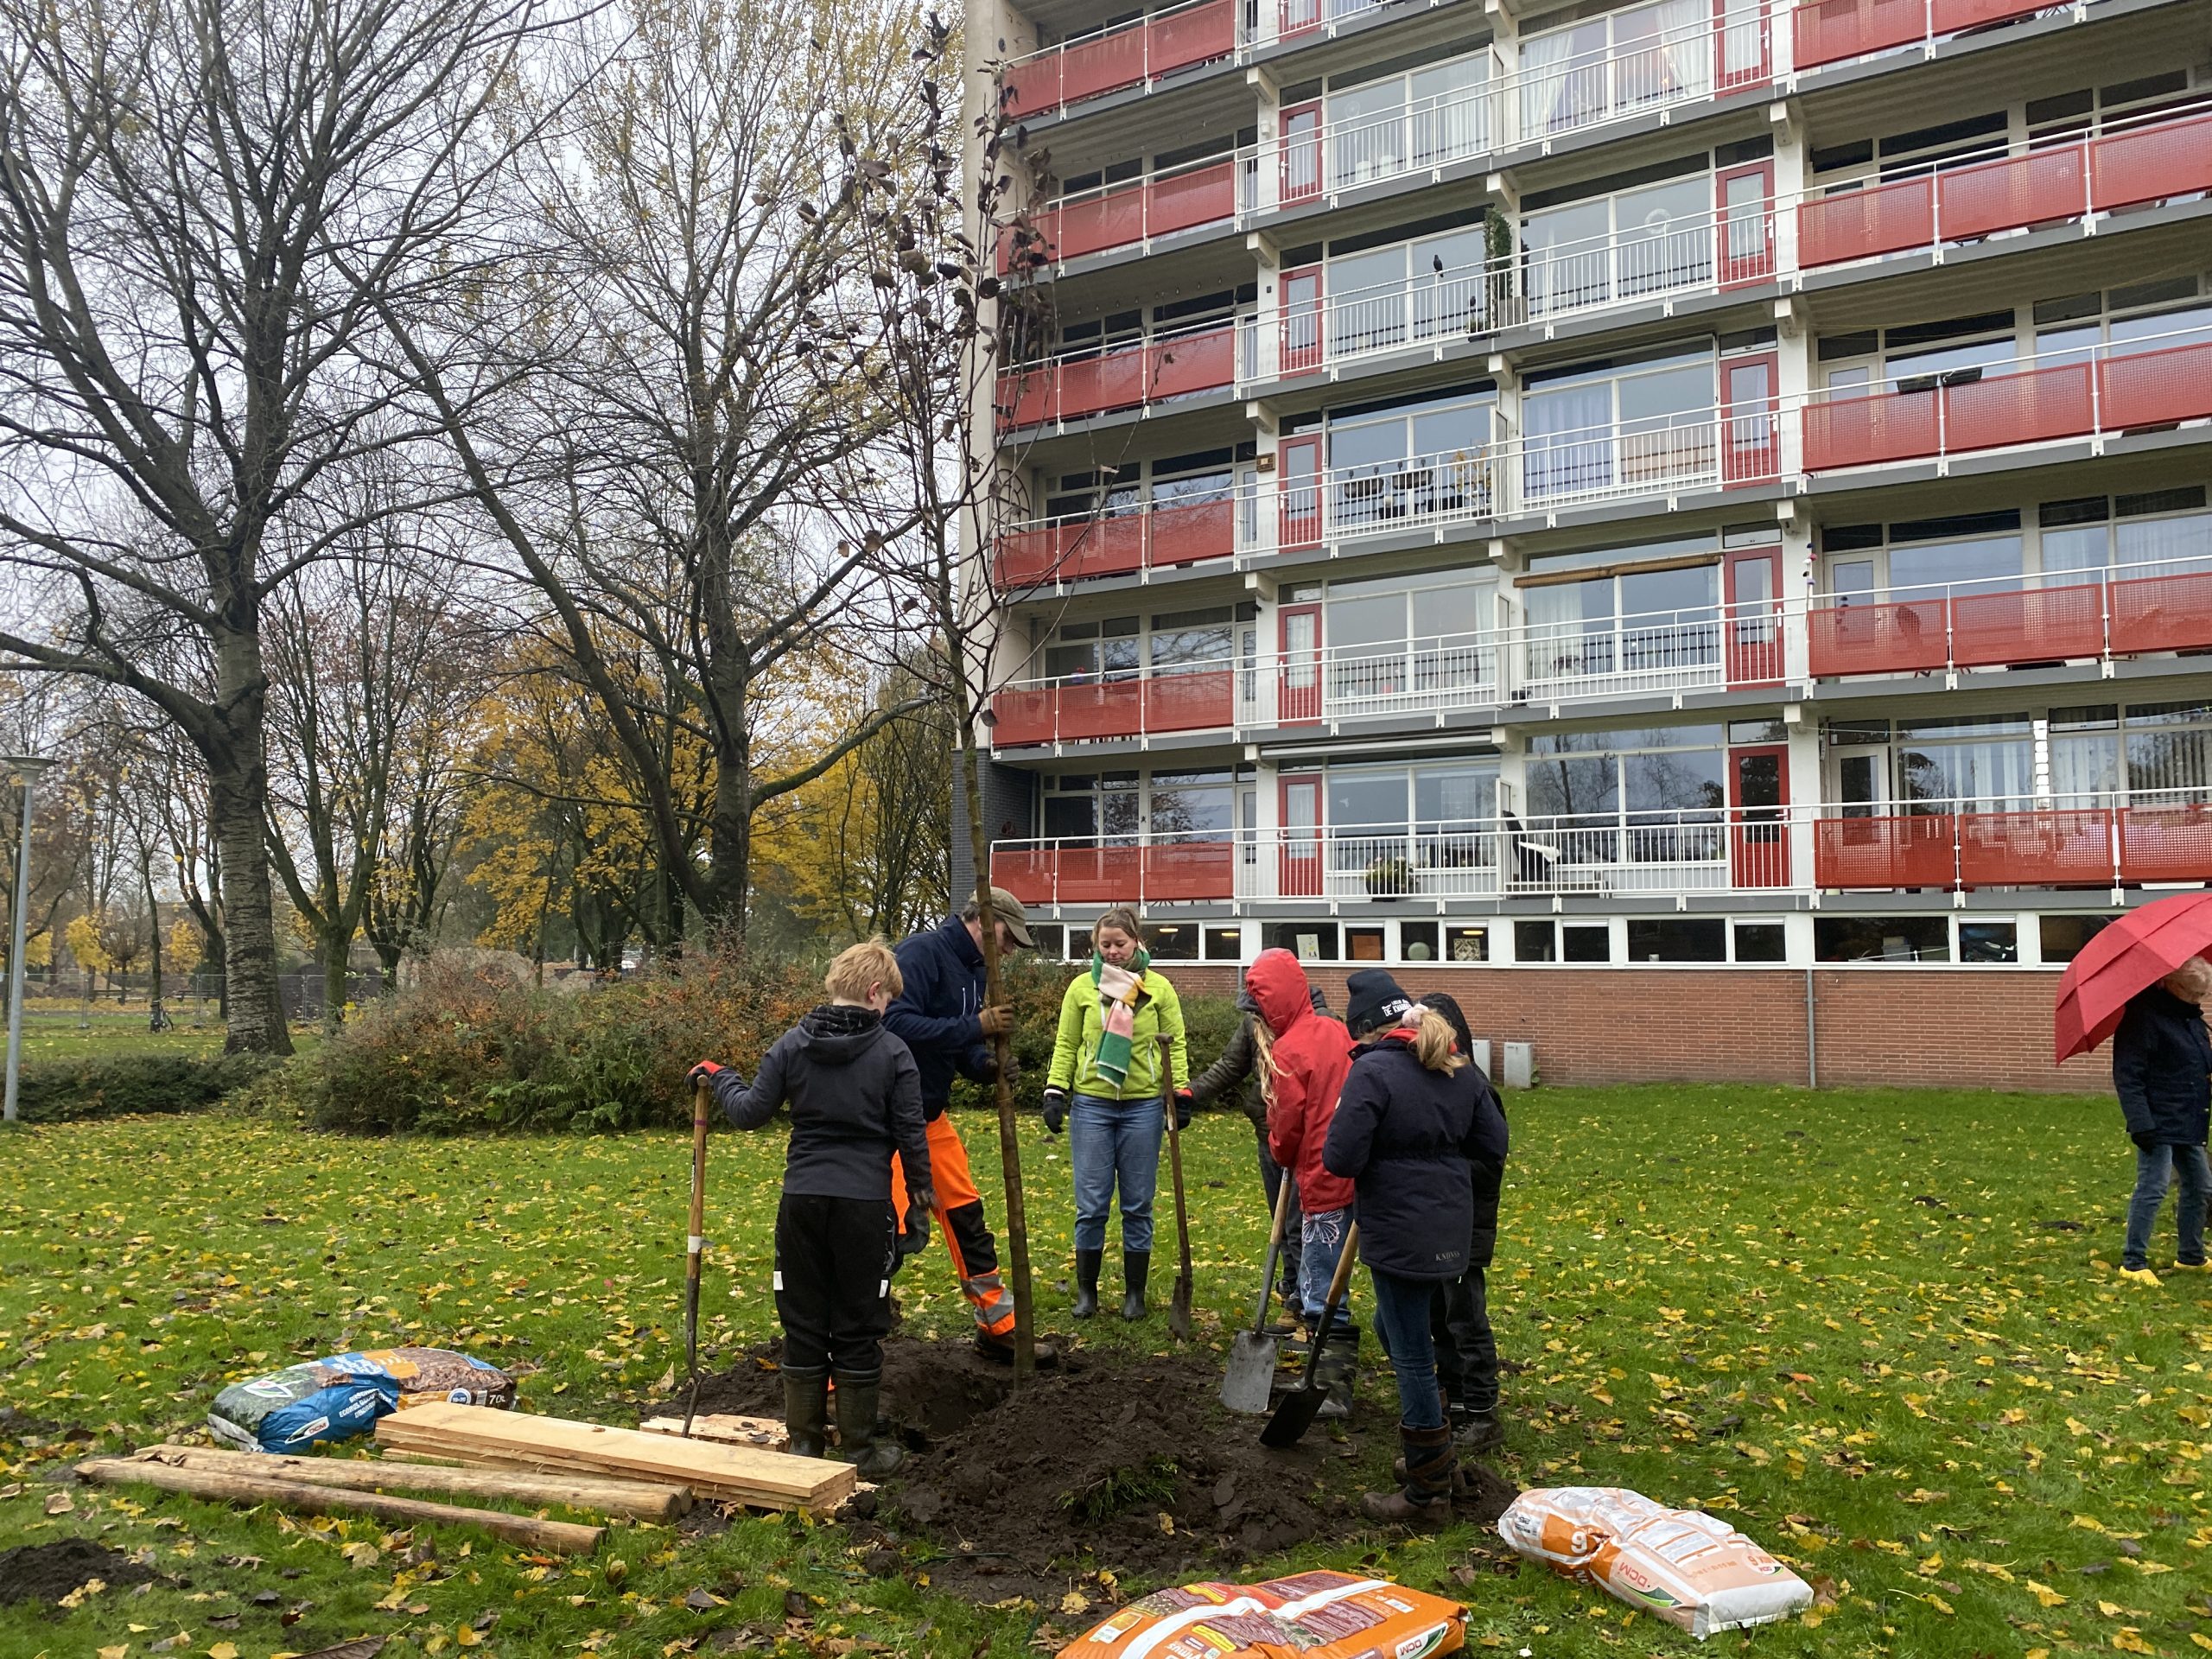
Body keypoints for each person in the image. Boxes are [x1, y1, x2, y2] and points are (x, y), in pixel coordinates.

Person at [690, 939, 930, 1477]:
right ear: (873, 992)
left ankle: (805, 1448)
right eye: (888, 998)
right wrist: (920, 1208)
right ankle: (861, 1451)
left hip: (802, 1202)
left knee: (803, 1319)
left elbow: (750, 1112)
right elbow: (912, 1139)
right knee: (858, 1322)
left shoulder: (791, 1046)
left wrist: (719, 1074)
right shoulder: (894, 1054)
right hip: (865, 1208)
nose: (889, 1008)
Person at [1324, 969, 1508, 1525]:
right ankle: (1442, 1455)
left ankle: (1428, 1490)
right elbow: (1493, 1144)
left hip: (1399, 1232)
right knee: (1394, 1328)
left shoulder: (1371, 1073)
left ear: (1365, 1030)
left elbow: (1339, 1159)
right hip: (1450, 1230)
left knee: (1410, 1355)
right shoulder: (1458, 1068)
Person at [884, 888, 1054, 1365]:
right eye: (1006, 936)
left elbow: (954, 1046)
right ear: (982, 919)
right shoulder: (921, 953)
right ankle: (860, 1331)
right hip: (889, 1123)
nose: (1009, 949)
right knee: (888, 1233)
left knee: (967, 1218)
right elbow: (894, 1024)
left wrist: (984, 1066)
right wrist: (975, 1028)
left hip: (932, 1118)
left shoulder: (974, 970)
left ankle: (998, 1327)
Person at [1041, 907, 1192, 1320]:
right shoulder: (1081, 989)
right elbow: (1067, 1043)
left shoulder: (1157, 989)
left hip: (1143, 1105)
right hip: (1092, 1105)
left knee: (1137, 1204)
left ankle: (1134, 1295)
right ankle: (1087, 1293)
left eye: (1119, 944)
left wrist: (1180, 1092)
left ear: (1136, 941)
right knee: (1091, 1205)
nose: (1111, 952)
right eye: (1103, 945)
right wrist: (1056, 1090)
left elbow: (1174, 1044)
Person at [1190, 980, 1334, 1317]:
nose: (1258, 1018)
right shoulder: (1255, 1022)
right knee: (1280, 1219)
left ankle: (1308, 1299)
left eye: (1261, 1011)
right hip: (1269, 1132)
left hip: (1308, 1142)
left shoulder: (1321, 1024)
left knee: (1302, 1223)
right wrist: (1191, 1095)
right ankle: (1291, 1289)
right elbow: (1230, 1065)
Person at [1267, 957, 1363, 1415]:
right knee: (1336, 1274)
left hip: (1323, 1175)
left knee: (1322, 1282)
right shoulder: (1335, 1029)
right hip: (1359, 1168)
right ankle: (1323, 1373)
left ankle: (1330, 1386)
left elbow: (1287, 1126)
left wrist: (1280, 1150)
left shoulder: (1288, 1049)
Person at [1417, 990, 1507, 1452]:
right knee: (1437, 1314)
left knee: (1465, 1316)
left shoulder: (1476, 1088)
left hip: (1466, 1221)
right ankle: (1451, 1399)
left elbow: (1491, 1160)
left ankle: (1482, 1411)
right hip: (1434, 1219)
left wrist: (1439, 1168)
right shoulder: (1434, 1084)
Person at [2113, 954, 2212, 1286]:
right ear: (2173, 986)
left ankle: (2191, 1256)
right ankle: (2133, 1261)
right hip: (2156, 1121)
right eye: (2195, 994)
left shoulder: (2193, 1021)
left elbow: (2198, 1065)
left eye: (2203, 994)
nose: (2200, 1000)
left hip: (2189, 1119)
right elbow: (2129, 1076)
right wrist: (2141, 1122)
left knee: (2201, 1186)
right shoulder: (2143, 1019)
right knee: (2153, 1188)